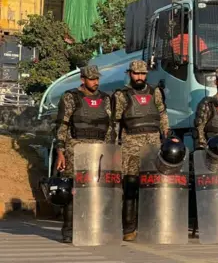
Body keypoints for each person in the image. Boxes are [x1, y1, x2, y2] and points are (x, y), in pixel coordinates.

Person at [54, 65, 113, 243]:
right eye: (91, 79)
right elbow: (62, 126)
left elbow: (110, 127)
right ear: (83, 79)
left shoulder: (105, 98)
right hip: (76, 148)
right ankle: (69, 231)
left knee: (96, 191)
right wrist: (60, 152)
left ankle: (91, 228)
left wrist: (110, 151)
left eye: (97, 78)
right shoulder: (71, 97)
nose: (95, 82)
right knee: (73, 191)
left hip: (99, 149)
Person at [112, 60, 169, 241]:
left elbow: (162, 115)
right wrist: (114, 146)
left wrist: (165, 136)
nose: (139, 77)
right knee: (130, 187)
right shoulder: (122, 95)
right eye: (136, 74)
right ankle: (129, 228)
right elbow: (115, 122)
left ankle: (150, 226)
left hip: (153, 145)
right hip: (131, 146)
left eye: (142, 74)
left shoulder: (155, 92)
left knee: (152, 187)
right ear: (130, 74)